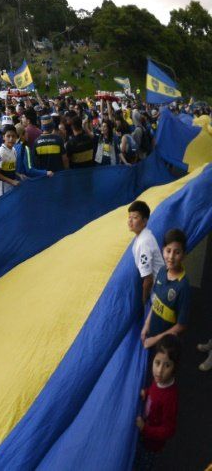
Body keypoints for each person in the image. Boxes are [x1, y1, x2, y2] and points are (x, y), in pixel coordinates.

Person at [135, 334, 180, 470]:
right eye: (157, 363)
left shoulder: (170, 398)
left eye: (167, 365)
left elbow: (168, 430)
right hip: (146, 433)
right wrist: (147, 392)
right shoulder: (158, 381)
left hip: (152, 445)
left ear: (174, 368)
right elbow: (155, 391)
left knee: (144, 465)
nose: (159, 371)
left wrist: (145, 429)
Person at [141, 229, 190, 349]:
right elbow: (156, 302)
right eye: (168, 251)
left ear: (184, 255)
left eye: (177, 252)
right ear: (162, 250)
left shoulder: (183, 287)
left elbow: (181, 326)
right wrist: (146, 325)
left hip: (166, 344)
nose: (171, 257)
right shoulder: (162, 271)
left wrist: (155, 340)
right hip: (152, 335)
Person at [128, 201, 165, 304]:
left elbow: (148, 279)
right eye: (129, 217)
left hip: (159, 296)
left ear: (144, 221)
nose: (130, 221)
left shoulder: (144, 242)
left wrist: (144, 300)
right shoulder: (142, 237)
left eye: (135, 217)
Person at [0, 125, 20, 197]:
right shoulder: (1, 151)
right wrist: (12, 181)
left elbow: (10, 169)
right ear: (3, 137)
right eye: (8, 136)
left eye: (13, 136)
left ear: (16, 138)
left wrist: (19, 175)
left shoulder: (14, 150)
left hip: (11, 188)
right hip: (3, 191)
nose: (11, 139)